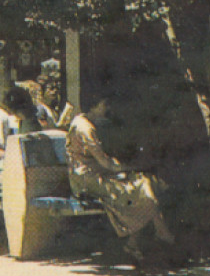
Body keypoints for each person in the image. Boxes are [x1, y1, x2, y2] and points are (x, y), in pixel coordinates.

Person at [65, 96, 174, 264]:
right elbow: (105, 163)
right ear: (94, 106)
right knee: (141, 184)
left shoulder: (80, 120)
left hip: (93, 175)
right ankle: (160, 232)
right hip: (88, 180)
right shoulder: (86, 129)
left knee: (143, 184)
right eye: (103, 105)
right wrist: (129, 167)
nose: (106, 109)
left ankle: (142, 239)